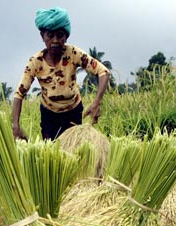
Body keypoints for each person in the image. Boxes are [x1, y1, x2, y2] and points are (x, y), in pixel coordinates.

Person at [12, 6, 110, 141]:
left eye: (60, 35)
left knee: (74, 151)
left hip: (73, 112)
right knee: (50, 153)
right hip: (49, 115)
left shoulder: (73, 54)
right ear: (42, 36)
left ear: (66, 36)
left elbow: (103, 72)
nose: (55, 41)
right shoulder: (36, 62)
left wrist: (97, 102)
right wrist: (15, 125)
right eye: (50, 35)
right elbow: (19, 94)